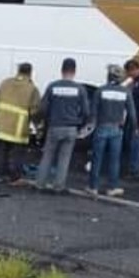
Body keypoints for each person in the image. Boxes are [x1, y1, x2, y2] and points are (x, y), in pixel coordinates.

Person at [35, 58, 90, 193]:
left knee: (47, 156)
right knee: (64, 159)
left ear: (61, 70)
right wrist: (80, 124)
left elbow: (42, 108)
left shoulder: (52, 86)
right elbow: (86, 112)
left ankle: (39, 185)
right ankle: (58, 187)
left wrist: (43, 121)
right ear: (74, 71)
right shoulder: (80, 89)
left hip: (54, 127)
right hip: (71, 128)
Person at [0, 63, 41, 185]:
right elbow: (35, 111)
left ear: (18, 71)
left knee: (3, 150)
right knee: (17, 153)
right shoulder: (32, 88)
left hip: (1, 125)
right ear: (30, 73)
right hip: (18, 128)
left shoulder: (5, 83)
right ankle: (15, 178)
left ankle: (0, 174)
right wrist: (39, 128)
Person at [90, 65, 137, 197]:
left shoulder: (100, 91)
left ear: (108, 76)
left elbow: (93, 112)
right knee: (114, 159)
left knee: (97, 158)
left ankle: (93, 187)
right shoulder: (126, 92)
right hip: (117, 129)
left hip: (101, 127)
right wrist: (134, 128)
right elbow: (132, 113)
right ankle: (112, 187)